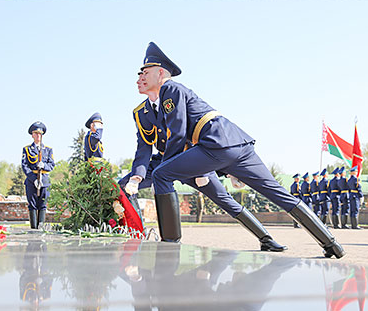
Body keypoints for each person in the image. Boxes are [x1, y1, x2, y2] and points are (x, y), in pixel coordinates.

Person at [140, 41, 342, 255]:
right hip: (237, 143)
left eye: (146, 71)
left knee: (162, 174)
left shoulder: (170, 88)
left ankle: (170, 247)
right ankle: (331, 244)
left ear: (160, 72)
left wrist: (168, 167)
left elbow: (178, 133)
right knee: (278, 193)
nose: (143, 75)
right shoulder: (177, 90)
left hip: (214, 144)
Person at [122, 52, 283, 251]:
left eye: (144, 73)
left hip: (193, 158)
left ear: (160, 73)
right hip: (164, 160)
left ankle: (265, 238)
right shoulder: (140, 112)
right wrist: (136, 177)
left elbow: (191, 132)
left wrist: (221, 171)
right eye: (139, 75)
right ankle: (135, 236)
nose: (140, 79)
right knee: (122, 187)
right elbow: (144, 147)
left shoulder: (174, 93)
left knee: (224, 200)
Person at [21, 122, 55, 230]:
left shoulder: (48, 150)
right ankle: (33, 229)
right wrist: (33, 178)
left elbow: (52, 165)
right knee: (32, 205)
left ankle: (41, 229)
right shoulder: (27, 149)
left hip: (44, 181)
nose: (38, 136)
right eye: (36, 133)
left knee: (43, 205)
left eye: (40, 134)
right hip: (32, 181)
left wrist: (44, 165)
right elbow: (24, 165)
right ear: (32, 135)